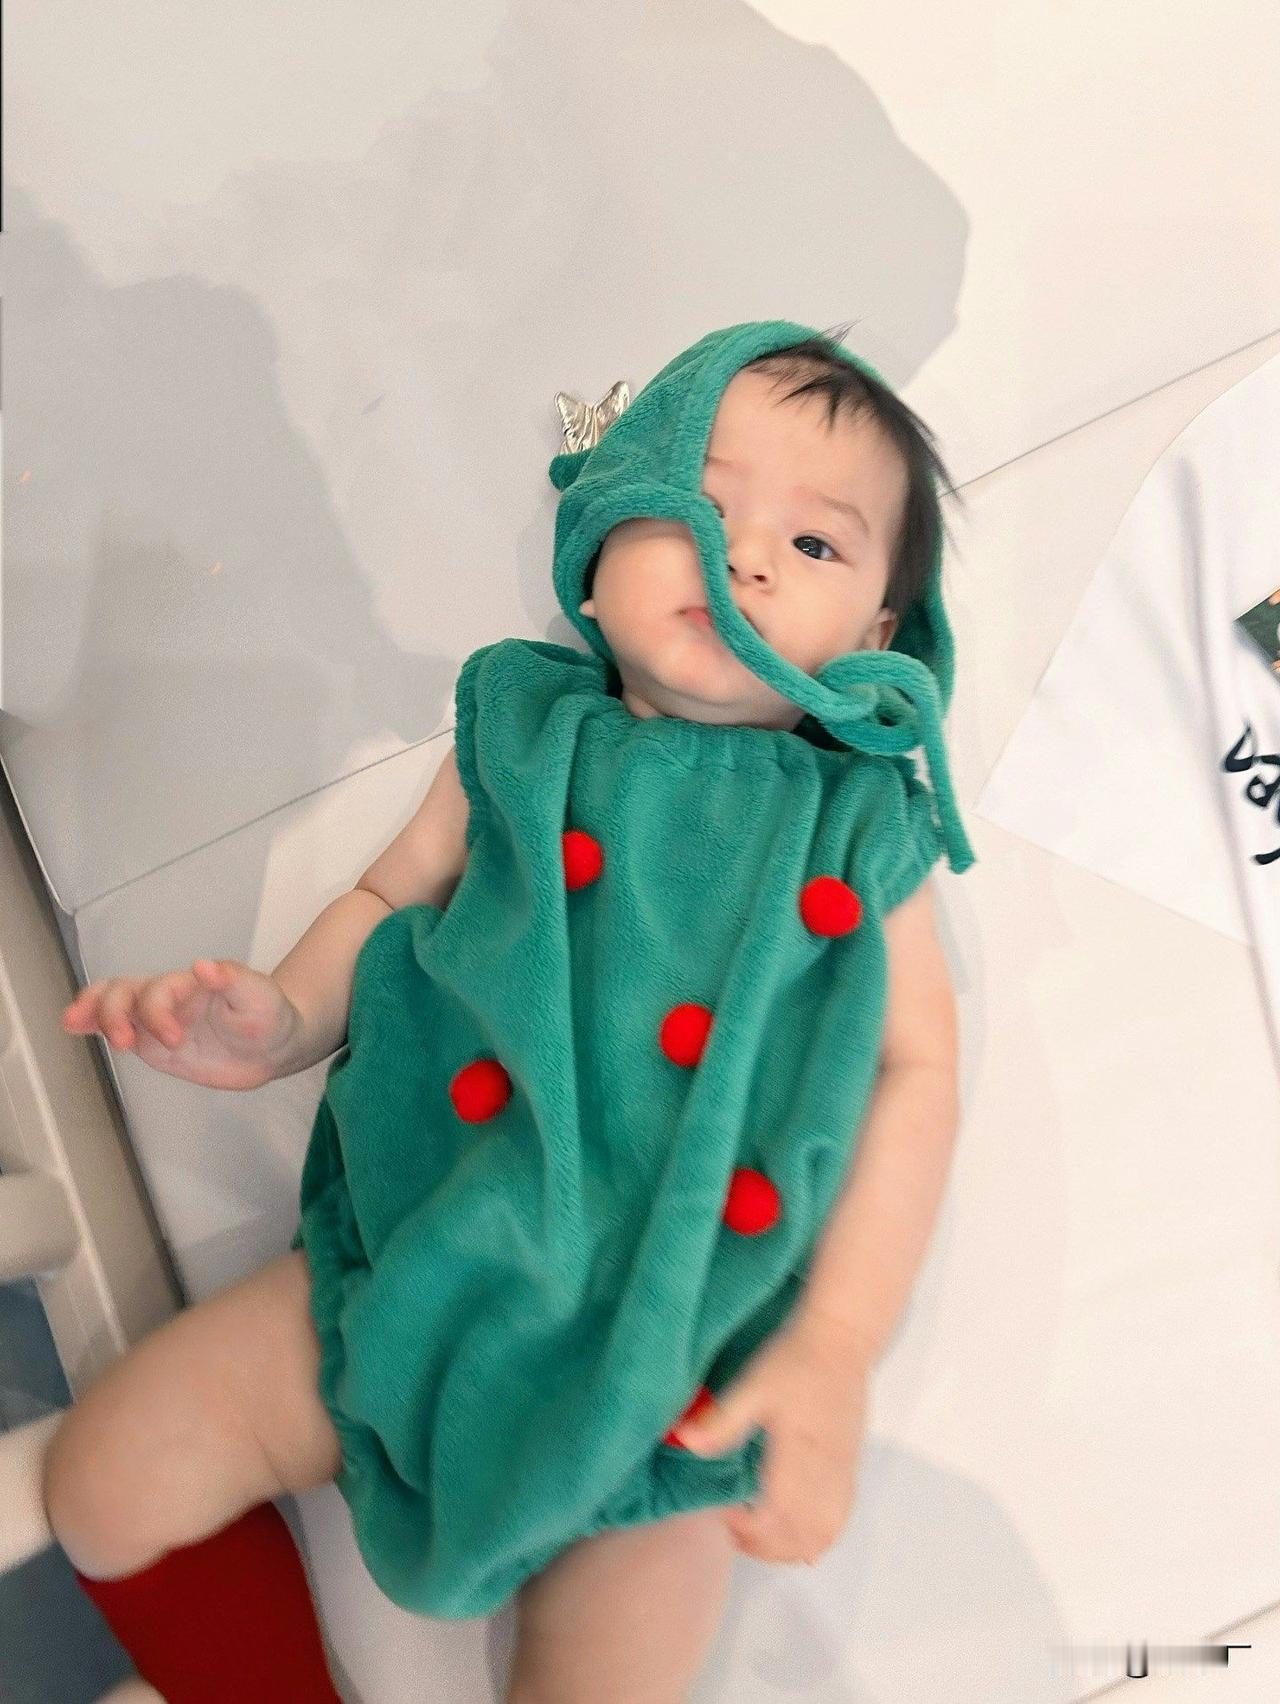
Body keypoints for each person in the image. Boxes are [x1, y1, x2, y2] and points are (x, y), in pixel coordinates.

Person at [43, 318, 976, 1701]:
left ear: (879, 637)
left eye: (815, 544)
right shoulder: (522, 730)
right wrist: (282, 1017)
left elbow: (916, 1076)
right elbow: (385, 898)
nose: (746, 558)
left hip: (675, 1369)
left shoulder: (860, 826)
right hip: (417, 1257)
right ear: (599, 542)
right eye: (699, 506)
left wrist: (835, 1351)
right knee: (101, 1484)